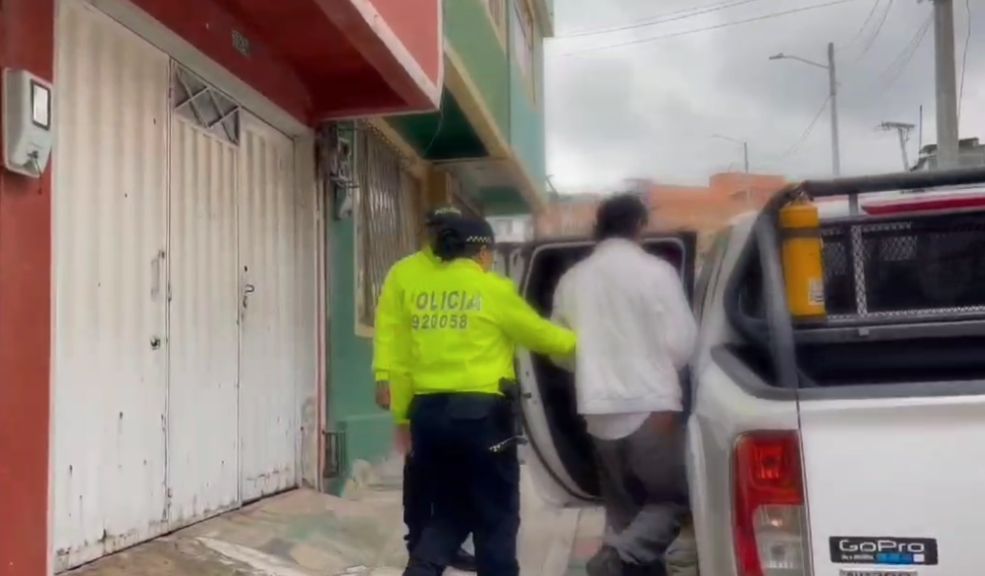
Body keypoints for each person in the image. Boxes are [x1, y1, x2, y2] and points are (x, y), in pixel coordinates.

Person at [402, 217, 577, 576]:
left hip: (428, 416)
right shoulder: (491, 289)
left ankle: (420, 570)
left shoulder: (420, 293)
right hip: (480, 418)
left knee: (451, 506)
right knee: (496, 514)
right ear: (482, 251)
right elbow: (542, 336)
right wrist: (586, 342)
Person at [551, 194, 697, 576]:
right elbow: (682, 344)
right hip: (652, 405)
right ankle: (618, 557)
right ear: (639, 226)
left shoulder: (573, 279)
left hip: (598, 412)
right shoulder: (656, 271)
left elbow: (559, 350)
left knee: (625, 515)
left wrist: (589, 366)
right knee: (674, 500)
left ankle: (622, 557)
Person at [373, 205, 477, 572]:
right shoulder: (403, 273)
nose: (441, 234)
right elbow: (387, 330)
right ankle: (418, 541)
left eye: (449, 228)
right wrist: (382, 376)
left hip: (459, 390)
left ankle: (446, 543)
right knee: (418, 472)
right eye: (437, 227)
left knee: (457, 471)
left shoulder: (466, 271)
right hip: (412, 390)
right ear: (427, 230)